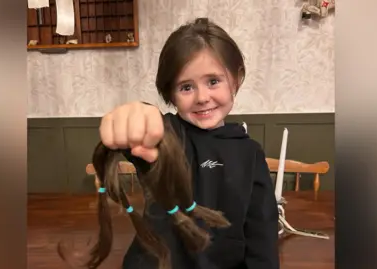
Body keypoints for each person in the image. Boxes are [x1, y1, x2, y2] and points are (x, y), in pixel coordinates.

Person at [99, 17, 279, 269]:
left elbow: (262, 232)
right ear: (170, 93)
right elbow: (149, 130)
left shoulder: (250, 153)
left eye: (213, 81)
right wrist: (137, 116)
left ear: (235, 80)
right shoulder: (168, 136)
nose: (202, 97)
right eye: (186, 87)